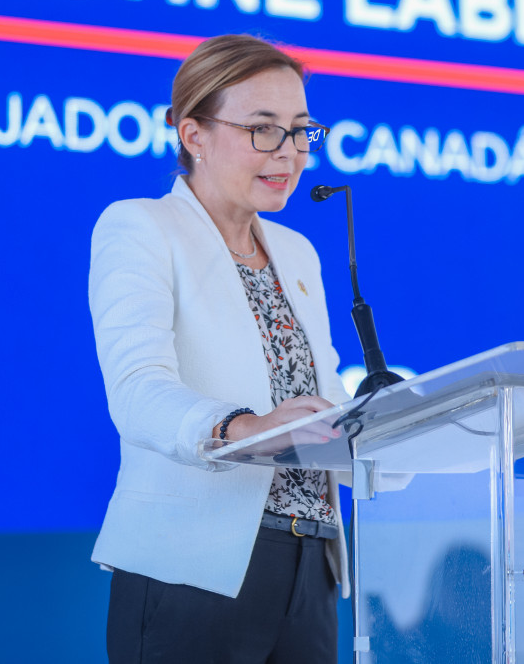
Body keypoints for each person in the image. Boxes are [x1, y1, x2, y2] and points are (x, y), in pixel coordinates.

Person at [89, 34, 351, 664]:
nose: (288, 151)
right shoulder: (141, 227)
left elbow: (317, 401)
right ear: (193, 134)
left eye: (300, 130)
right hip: (193, 565)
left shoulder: (297, 252)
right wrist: (243, 428)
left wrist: (400, 424)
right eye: (263, 129)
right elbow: (137, 390)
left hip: (310, 562)